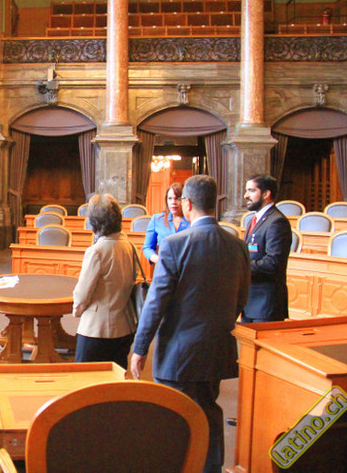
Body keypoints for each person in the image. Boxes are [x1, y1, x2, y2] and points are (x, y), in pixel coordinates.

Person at [130, 175, 249, 473]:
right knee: (209, 411)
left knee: (173, 418)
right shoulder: (237, 246)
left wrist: (140, 348)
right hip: (218, 348)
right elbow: (241, 299)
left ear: (188, 203)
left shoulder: (174, 245)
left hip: (180, 353)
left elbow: (155, 303)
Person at [72, 194, 137, 369]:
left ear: (94, 222)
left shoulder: (96, 251)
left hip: (97, 330)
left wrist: (77, 310)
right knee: (115, 378)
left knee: (87, 380)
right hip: (124, 326)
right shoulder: (128, 245)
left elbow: (82, 294)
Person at [242, 174, 292, 323]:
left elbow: (273, 263)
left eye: (251, 191)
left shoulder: (277, 222)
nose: (246, 196)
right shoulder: (253, 220)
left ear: (266, 194)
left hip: (266, 304)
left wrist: (241, 266)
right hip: (250, 301)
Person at [142, 182, 190, 264]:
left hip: (186, 267)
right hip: (164, 267)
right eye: (170, 198)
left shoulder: (191, 220)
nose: (173, 202)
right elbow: (147, 248)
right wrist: (159, 260)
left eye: (177, 199)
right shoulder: (157, 219)